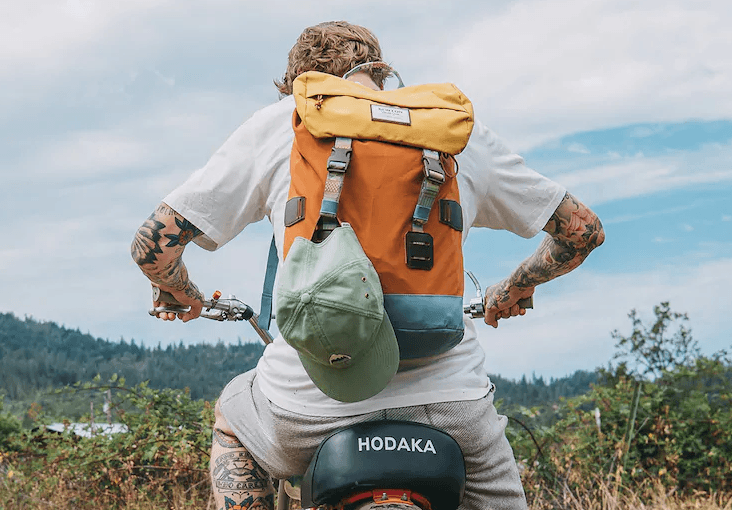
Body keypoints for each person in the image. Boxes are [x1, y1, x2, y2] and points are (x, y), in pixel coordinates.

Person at [131, 21, 604, 510]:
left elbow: (152, 246)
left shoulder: (283, 123)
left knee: (233, 417)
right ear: (381, 72)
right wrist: (514, 286)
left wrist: (180, 290)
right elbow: (582, 229)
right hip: (452, 407)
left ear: (302, 85)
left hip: (305, 406)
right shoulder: (455, 132)